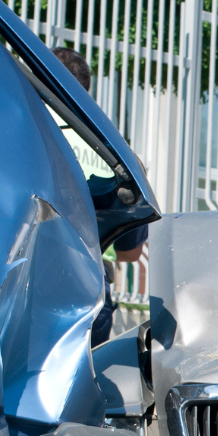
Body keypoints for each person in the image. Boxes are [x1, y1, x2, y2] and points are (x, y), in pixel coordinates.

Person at [52, 46, 146, 345]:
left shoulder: (26, 128)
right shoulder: (112, 150)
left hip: (25, 280)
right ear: (86, 91)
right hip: (91, 293)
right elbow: (129, 253)